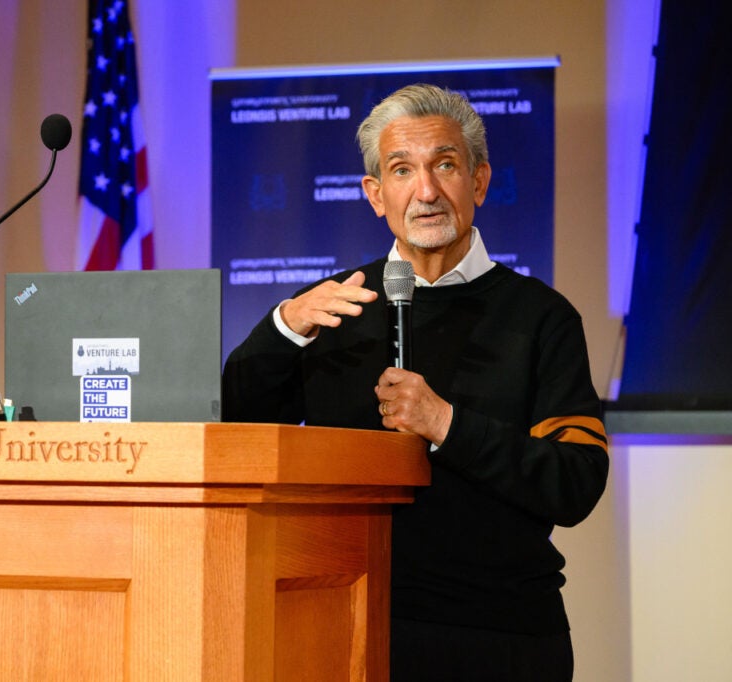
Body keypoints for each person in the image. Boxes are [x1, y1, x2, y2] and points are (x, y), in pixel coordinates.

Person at [221, 83, 609, 681]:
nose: (426, 191)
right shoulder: (333, 307)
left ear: (478, 181)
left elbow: (576, 481)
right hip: (341, 625)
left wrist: (445, 424)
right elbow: (232, 421)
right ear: (376, 195)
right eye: (402, 170)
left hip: (500, 638)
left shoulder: (542, 317)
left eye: (445, 166)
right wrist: (283, 326)